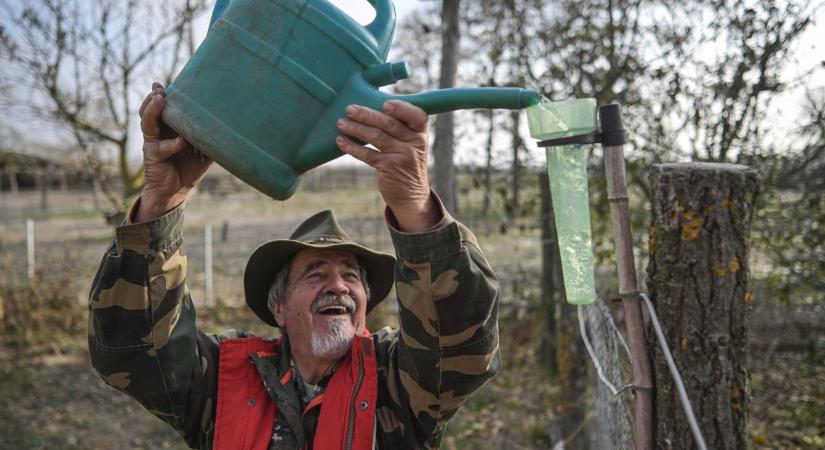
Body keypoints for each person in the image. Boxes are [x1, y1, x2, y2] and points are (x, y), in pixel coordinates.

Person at [88, 83, 501, 450]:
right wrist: (161, 202)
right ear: (279, 309)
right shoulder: (219, 379)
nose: (338, 284)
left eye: (351, 275)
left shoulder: (397, 381)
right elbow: (134, 353)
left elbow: (461, 345)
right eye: (316, 273)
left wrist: (414, 204)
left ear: (366, 302)